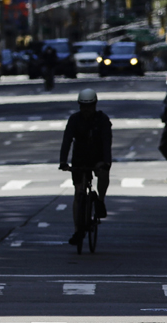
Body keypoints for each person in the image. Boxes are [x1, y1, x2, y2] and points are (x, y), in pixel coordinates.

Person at [59, 88, 112, 246]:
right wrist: (63, 162)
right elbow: (67, 141)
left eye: (89, 106)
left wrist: (106, 162)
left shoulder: (102, 120)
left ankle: (100, 200)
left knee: (103, 174)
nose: (86, 110)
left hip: (97, 157)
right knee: (78, 192)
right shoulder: (74, 120)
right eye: (83, 106)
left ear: (95, 105)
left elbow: (107, 143)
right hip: (80, 158)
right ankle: (77, 230)